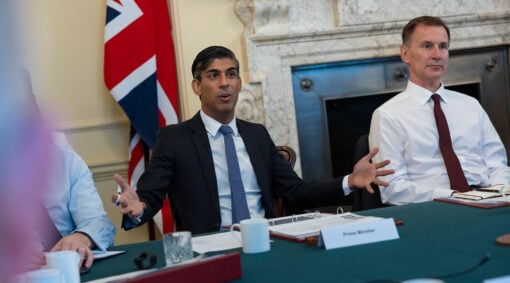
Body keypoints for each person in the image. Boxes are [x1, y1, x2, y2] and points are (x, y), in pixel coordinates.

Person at [114, 45, 394, 234]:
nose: (225, 82)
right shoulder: (175, 138)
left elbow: (296, 191)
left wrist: (349, 181)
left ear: (238, 84)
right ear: (197, 86)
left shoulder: (256, 134)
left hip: (267, 239)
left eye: (231, 75)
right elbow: (149, 197)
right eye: (214, 75)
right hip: (211, 246)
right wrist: (138, 208)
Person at [369, 16, 510, 205]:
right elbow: (393, 188)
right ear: (405, 54)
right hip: (434, 207)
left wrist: (499, 194)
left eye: (443, 46)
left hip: (489, 201)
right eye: (427, 46)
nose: (437, 54)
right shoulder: (387, 115)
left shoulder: (470, 105)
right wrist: (456, 197)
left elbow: (497, 164)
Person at [25, 71, 116, 270]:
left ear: (31, 105)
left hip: (67, 271)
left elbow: (99, 223)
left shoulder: (65, 161)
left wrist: (83, 236)